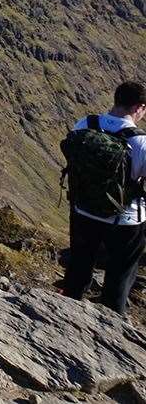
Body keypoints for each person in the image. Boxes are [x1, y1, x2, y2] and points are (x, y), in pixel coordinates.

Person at [62, 80, 146, 314]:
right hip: (124, 221)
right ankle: (112, 321)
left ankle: (65, 309)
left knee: (79, 266)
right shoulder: (140, 142)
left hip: (83, 210)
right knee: (120, 275)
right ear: (139, 107)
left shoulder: (85, 124)